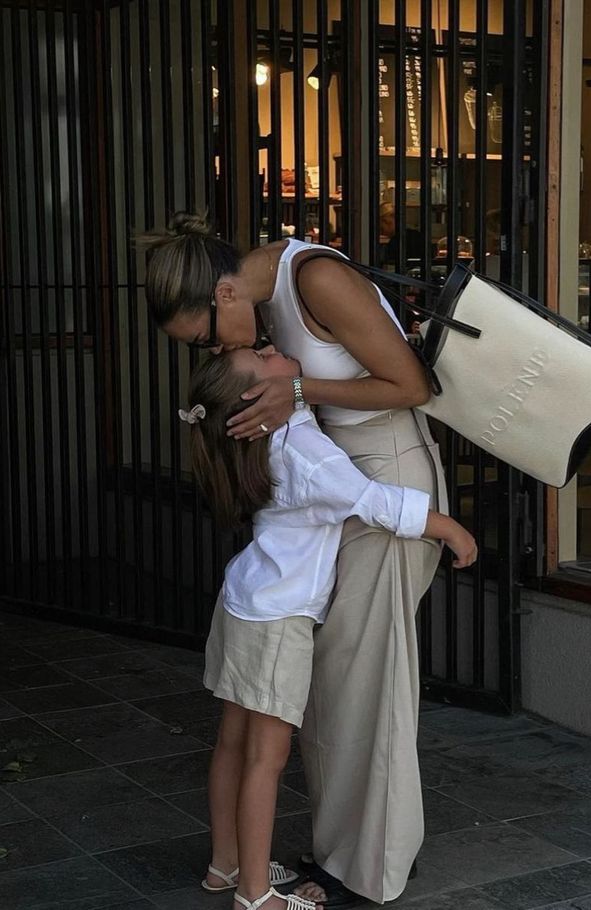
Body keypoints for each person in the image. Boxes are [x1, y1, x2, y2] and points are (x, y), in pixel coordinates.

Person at [139, 211, 452, 906]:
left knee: (367, 679)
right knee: (336, 681)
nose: (216, 356)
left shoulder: (313, 278)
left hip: (382, 479)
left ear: (223, 295)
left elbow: (412, 386)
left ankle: (368, 866)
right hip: (340, 485)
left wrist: (301, 391)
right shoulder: (259, 310)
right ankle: (341, 850)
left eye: (206, 341)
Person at [181, 346, 477, 910]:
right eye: (261, 356)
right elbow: (373, 500)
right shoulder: (305, 450)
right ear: (254, 397)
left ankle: (226, 865)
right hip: (279, 621)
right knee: (265, 759)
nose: (273, 346)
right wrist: (447, 527)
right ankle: (255, 895)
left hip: (244, 601)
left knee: (231, 743)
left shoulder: (270, 440)